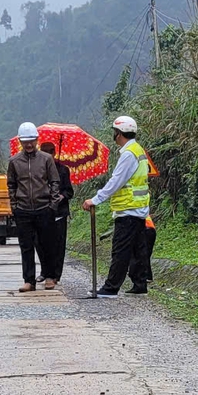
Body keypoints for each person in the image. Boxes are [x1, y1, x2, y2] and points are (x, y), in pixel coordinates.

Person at [82, 115, 156, 297]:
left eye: (115, 133)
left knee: (121, 250)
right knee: (139, 249)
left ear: (118, 134)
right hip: (138, 210)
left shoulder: (129, 154)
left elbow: (117, 181)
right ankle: (140, 284)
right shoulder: (138, 150)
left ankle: (111, 287)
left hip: (128, 210)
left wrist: (96, 199)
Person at [4, 122, 65, 292]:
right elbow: (11, 185)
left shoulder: (46, 159)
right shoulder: (14, 161)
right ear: (20, 142)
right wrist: (14, 206)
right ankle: (29, 280)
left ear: (37, 140)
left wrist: (52, 205)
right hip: (23, 210)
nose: (29, 144)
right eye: (25, 141)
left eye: (31, 140)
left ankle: (50, 277)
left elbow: (54, 181)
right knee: (26, 246)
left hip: (44, 208)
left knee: (48, 244)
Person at [36, 139, 73, 289]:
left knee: (58, 245)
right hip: (41, 211)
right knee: (40, 243)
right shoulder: (37, 170)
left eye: (49, 153)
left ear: (54, 153)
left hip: (59, 213)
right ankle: (45, 271)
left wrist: (61, 197)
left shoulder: (63, 170)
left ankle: (56, 274)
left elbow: (69, 191)